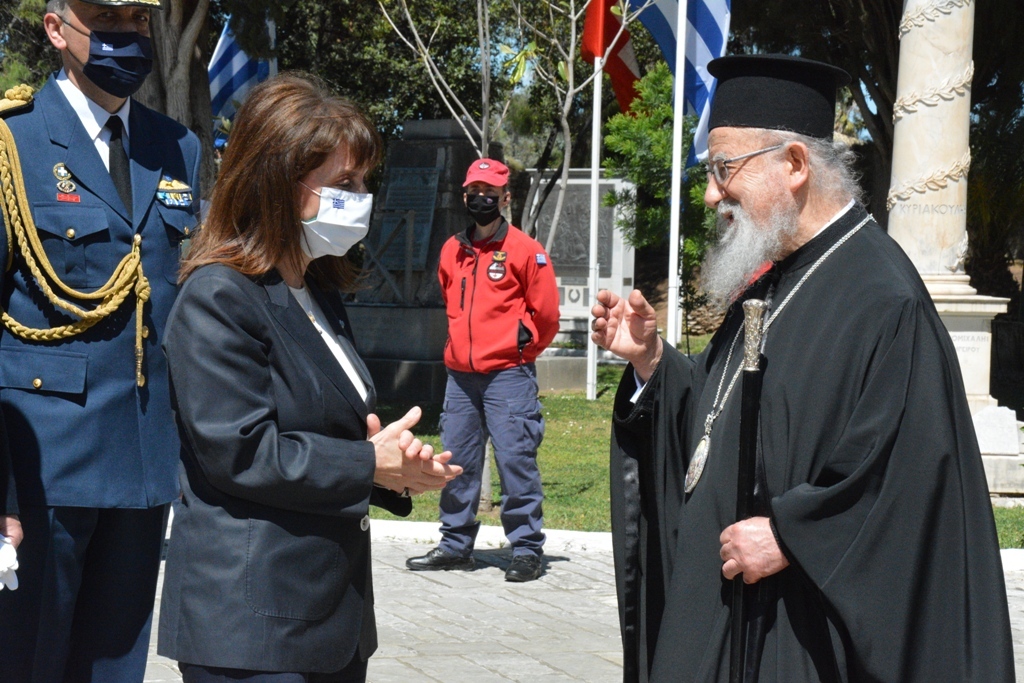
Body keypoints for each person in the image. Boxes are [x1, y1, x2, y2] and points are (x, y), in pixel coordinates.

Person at [591, 54, 1014, 682]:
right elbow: (722, 421)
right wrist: (651, 361)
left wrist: (792, 536)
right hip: (727, 612)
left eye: (724, 169)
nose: (711, 194)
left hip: (798, 634)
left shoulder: (883, 299)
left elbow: (907, 485)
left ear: (794, 164)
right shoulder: (777, 277)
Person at [157, 73, 460, 682]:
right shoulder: (218, 296)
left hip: (327, 620)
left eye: (364, 181)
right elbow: (242, 452)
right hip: (252, 627)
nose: (361, 197)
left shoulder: (316, 289)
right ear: (278, 182)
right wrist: (367, 463)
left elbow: (327, 431)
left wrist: (395, 467)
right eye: (344, 184)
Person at [0, 0, 201, 679]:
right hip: (42, 468)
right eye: (108, 18)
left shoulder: (176, 146)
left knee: (114, 670)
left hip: (142, 464)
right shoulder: (13, 141)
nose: (129, 34)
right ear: (56, 28)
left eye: (139, 20)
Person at [406, 158, 560, 582]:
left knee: (515, 461)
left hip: (508, 375)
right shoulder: (452, 250)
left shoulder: (526, 250)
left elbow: (547, 315)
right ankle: (455, 546)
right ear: (465, 196)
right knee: (456, 462)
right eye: (475, 192)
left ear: (505, 198)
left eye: (490, 193)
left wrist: (521, 349)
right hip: (460, 377)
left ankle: (526, 549)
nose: (482, 199)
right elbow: (449, 299)